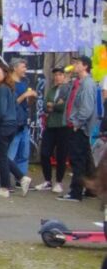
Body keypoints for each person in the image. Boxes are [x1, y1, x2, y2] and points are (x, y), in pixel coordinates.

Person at [0, 64, 31, 198]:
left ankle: (5, 187)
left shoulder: (1, 89)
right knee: (3, 156)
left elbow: (0, 109)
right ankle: (21, 178)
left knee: (1, 156)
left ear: (5, 74)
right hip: (11, 125)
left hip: (2, 125)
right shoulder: (9, 88)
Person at [59, 55, 98, 202]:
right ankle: (89, 189)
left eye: (77, 63)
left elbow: (87, 108)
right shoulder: (77, 82)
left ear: (85, 66)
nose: (74, 65)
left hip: (79, 128)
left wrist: (77, 124)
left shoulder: (87, 84)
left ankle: (75, 192)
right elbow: (65, 98)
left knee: (78, 160)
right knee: (85, 159)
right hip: (74, 125)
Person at [36, 67, 70, 193]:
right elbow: (45, 106)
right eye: (56, 75)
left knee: (61, 155)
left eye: (60, 74)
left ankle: (59, 182)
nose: (57, 77)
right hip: (50, 125)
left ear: (65, 76)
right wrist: (53, 106)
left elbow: (64, 107)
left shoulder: (68, 90)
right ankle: (47, 180)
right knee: (45, 153)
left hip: (63, 126)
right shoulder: (51, 90)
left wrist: (53, 106)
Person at [8, 58, 36, 177]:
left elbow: (26, 104)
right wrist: (24, 95)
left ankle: (22, 179)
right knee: (11, 154)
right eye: (23, 67)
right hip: (14, 123)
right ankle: (6, 180)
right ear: (15, 68)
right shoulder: (9, 84)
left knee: (24, 154)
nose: (25, 69)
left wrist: (31, 98)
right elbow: (11, 104)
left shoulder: (24, 84)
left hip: (24, 122)